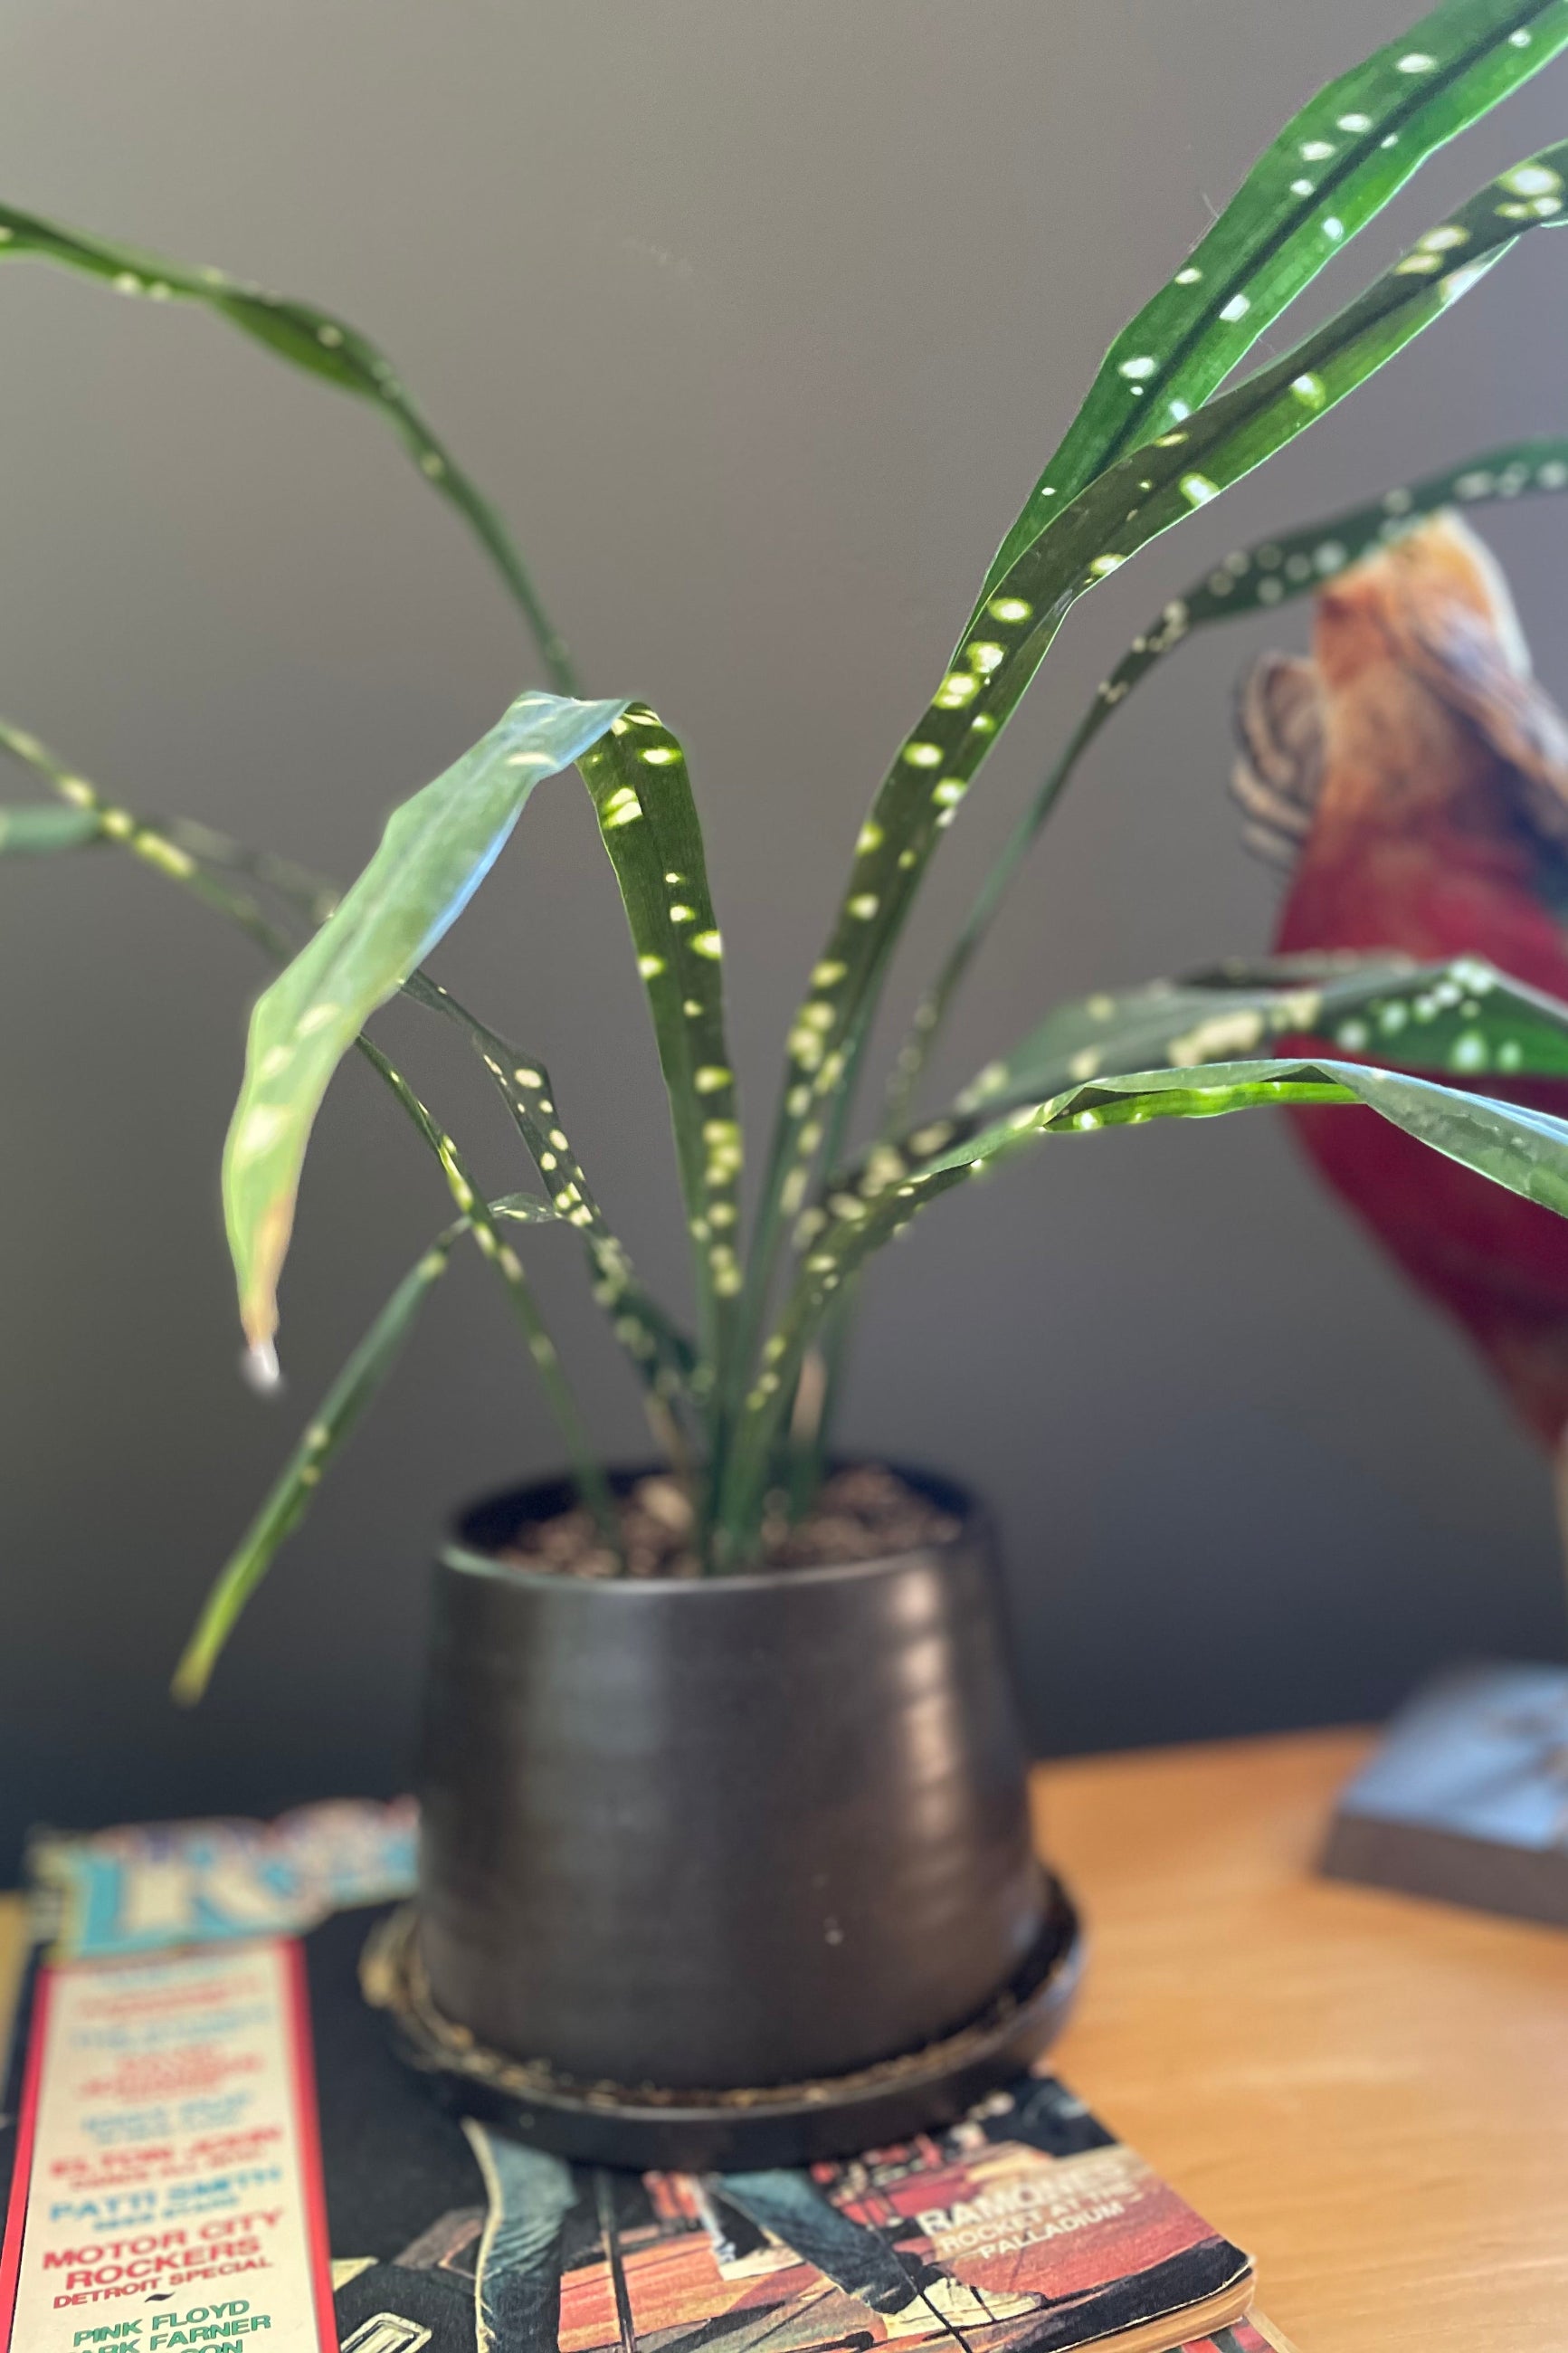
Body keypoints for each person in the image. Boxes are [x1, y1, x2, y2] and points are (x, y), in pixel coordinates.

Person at [461, 2122, 1043, 2353]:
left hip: (614, 2017)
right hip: (504, 2037)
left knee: (738, 2159)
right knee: (536, 2206)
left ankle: (900, 2297)